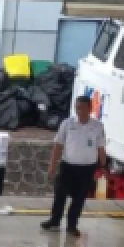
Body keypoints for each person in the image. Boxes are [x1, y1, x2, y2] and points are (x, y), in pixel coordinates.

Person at [41, 95, 106, 238]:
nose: (79, 111)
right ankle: (55, 220)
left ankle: (72, 225)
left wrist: (103, 166)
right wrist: (52, 165)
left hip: (87, 168)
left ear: (90, 108)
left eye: (82, 108)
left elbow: (100, 147)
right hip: (68, 166)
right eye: (77, 108)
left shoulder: (97, 126)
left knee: (79, 198)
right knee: (60, 194)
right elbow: (58, 145)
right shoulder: (67, 124)